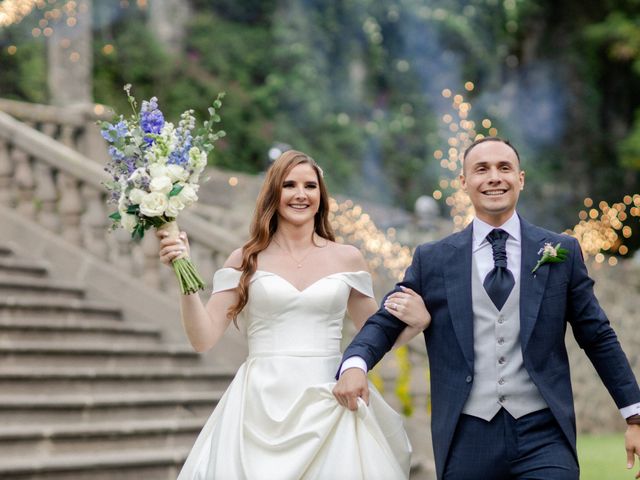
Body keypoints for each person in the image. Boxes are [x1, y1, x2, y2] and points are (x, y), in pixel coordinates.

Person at [333, 137, 640, 479]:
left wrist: (635, 415)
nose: (494, 177)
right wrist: (355, 364)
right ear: (464, 183)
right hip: (467, 436)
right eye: (482, 169)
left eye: (504, 168)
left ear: (520, 179)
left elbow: (597, 335)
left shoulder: (561, 251)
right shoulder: (433, 259)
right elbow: (386, 321)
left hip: (544, 433)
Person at [157, 150, 431, 480]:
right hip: (259, 406)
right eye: (289, 185)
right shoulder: (245, 259)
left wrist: (417, 324)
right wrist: (182, 274)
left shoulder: (347, 259)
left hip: (330, 399)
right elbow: (202, 339)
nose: (301, 194)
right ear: (274, 193)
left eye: (310, 186)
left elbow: (373, 334)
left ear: (320, 195)